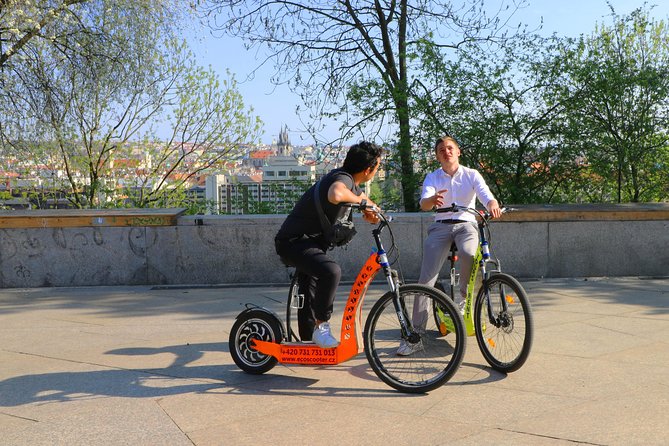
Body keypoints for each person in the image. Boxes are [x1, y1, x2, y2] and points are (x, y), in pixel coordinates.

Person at [397, 135, 501, 356]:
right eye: (442, 150)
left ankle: (463, 300)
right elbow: (424, 203)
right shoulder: (433, 177)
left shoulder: (471, 174)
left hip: (466, 225)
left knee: (469, 253)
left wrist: (492, 203)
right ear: (437, 155)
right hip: (441, 226)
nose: (447, 152)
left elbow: (485, 195)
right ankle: (415, 335)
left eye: (450, 147)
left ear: (458, 151)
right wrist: (431, 201)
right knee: (426, 280)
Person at [274, 141, 383, 348]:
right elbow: (336, 194)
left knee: (310, 291)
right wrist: (363, 205)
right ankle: (322, 328)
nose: (378, 171)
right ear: (368, 169)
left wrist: (374, 211)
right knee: (331, 272)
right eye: (378, 167)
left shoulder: (351, 181)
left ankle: (309, 341)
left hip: (309, 243)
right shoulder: (341, 179)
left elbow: (363, 198)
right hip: (293, 243)